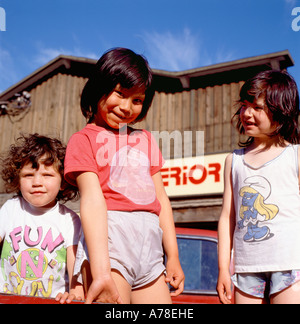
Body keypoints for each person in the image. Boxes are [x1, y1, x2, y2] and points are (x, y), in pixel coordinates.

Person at [64, 47, 185, 304]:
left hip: (151, 251)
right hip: (109, 246)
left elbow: (161, 199)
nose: (126, 107)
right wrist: (101, 271)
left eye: (137, 100)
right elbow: (93, 202)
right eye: (120, 94)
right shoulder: (83, 140)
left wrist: (172, 255)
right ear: (99, 87)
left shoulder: (146, 140)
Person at [217, 70, 300, 304]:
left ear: (282, 111)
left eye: (257, 107)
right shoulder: (233, 161)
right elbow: (227, 218)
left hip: (291, 266)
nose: (247, 113)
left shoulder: (296, 156)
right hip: (245, 268)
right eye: (244, 105)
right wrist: (224, 268)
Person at [0, 134, 83, 303]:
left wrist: (74, 294)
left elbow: (76, 273)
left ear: (62, 182)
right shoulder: (11, 208)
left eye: (47, 175)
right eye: (29, 175)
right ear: (17, 179)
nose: (37, 182)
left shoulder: (69, 220)